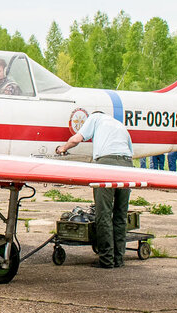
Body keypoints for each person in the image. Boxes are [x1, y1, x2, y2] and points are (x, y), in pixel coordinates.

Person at [56, 111, 134, 268]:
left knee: (103, 213)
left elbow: (77, 138)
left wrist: (62, 148)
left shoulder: (95, 118)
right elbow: (130, 151)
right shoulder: (119, 125)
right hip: (127, 165)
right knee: (120, 215)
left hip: (106, 165)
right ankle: (118, 259)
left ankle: (106, 260)